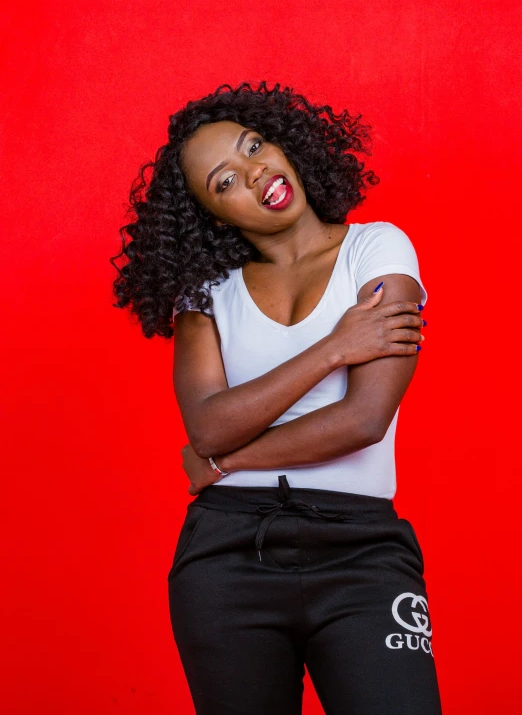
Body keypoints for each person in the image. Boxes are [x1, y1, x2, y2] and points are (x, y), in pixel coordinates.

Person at [111, 82, 442, 714]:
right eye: (225, 181)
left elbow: (365, 418)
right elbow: (208, 426)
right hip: (226, 553)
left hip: (361, 550)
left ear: (284, 146)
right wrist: (334, 347)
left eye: (254, 146)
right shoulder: (205, 291)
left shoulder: (376, 248)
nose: (254, 172)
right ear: (215, 214)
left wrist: (227, 462)